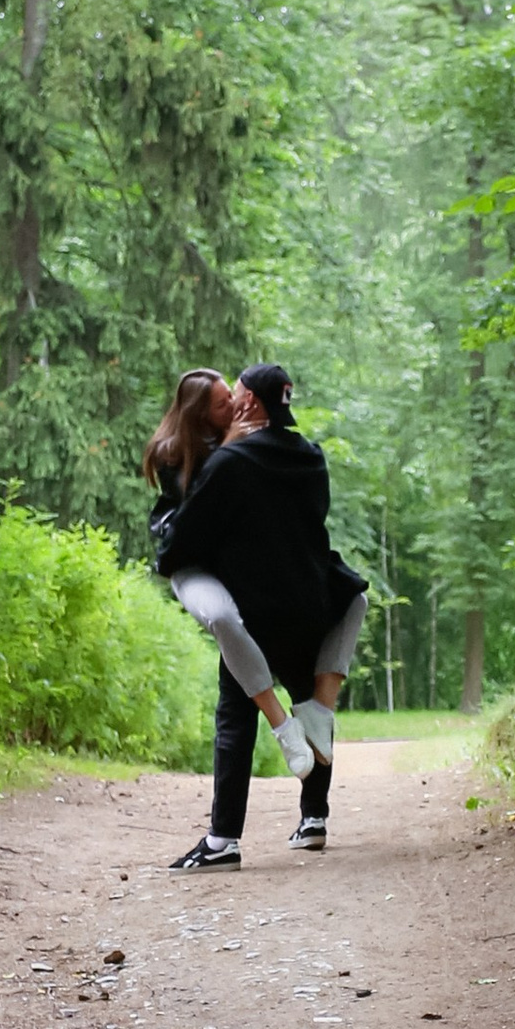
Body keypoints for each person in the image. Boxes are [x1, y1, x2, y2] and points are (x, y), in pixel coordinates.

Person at [155, 360, 368, 870]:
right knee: (312, 705)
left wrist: (170, 558)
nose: (232, 399)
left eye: (236, 393)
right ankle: (314, 818)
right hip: (311, 602)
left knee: (235, 717)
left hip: (253, 610)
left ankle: (222, 840)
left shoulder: (231, 462)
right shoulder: (311, 456)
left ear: (249, 401)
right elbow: (312, 523)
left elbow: (191, 533)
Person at [143, 369, 318, 785]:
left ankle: (312, 737)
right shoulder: (171, 451)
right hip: (190, 563)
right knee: (224, 619)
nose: (236, 405)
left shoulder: (240, 437)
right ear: (200, 413)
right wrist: (230, 447)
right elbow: (196, 510)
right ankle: (280, 723)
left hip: (230, 565)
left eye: (232, 396)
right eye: (224, 403)